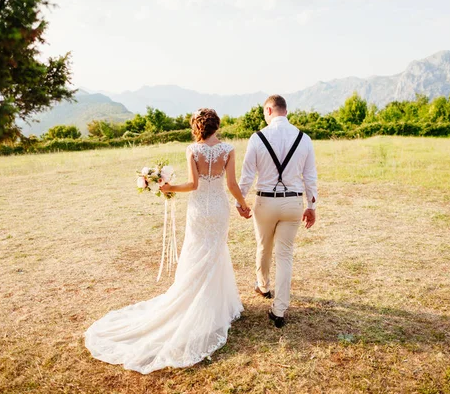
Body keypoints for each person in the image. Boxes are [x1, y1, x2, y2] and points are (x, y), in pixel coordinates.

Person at [85, 108, 249, 373]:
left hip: (198, 209)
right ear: (217, 125)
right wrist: (243, 204)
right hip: (219, 208)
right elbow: (231, 184)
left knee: (198, 253)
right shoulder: (228, 149)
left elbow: (194, 185)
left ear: (197, 126)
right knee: (215, 251)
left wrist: (169, 187)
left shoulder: (192, 150)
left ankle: (200, 302)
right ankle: (215, 305)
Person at [237, 94, 318, 328]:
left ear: (269, 111)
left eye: (264, 113)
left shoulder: (258, 137)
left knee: (264, 246)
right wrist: (312, 206)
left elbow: (248, 175)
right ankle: (279, 309)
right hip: (293, 203)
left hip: (265, 202)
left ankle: (263, 286)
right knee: (285, 255)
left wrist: (240, 202)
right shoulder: (304, 139)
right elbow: (310, 177)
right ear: (285, 110)